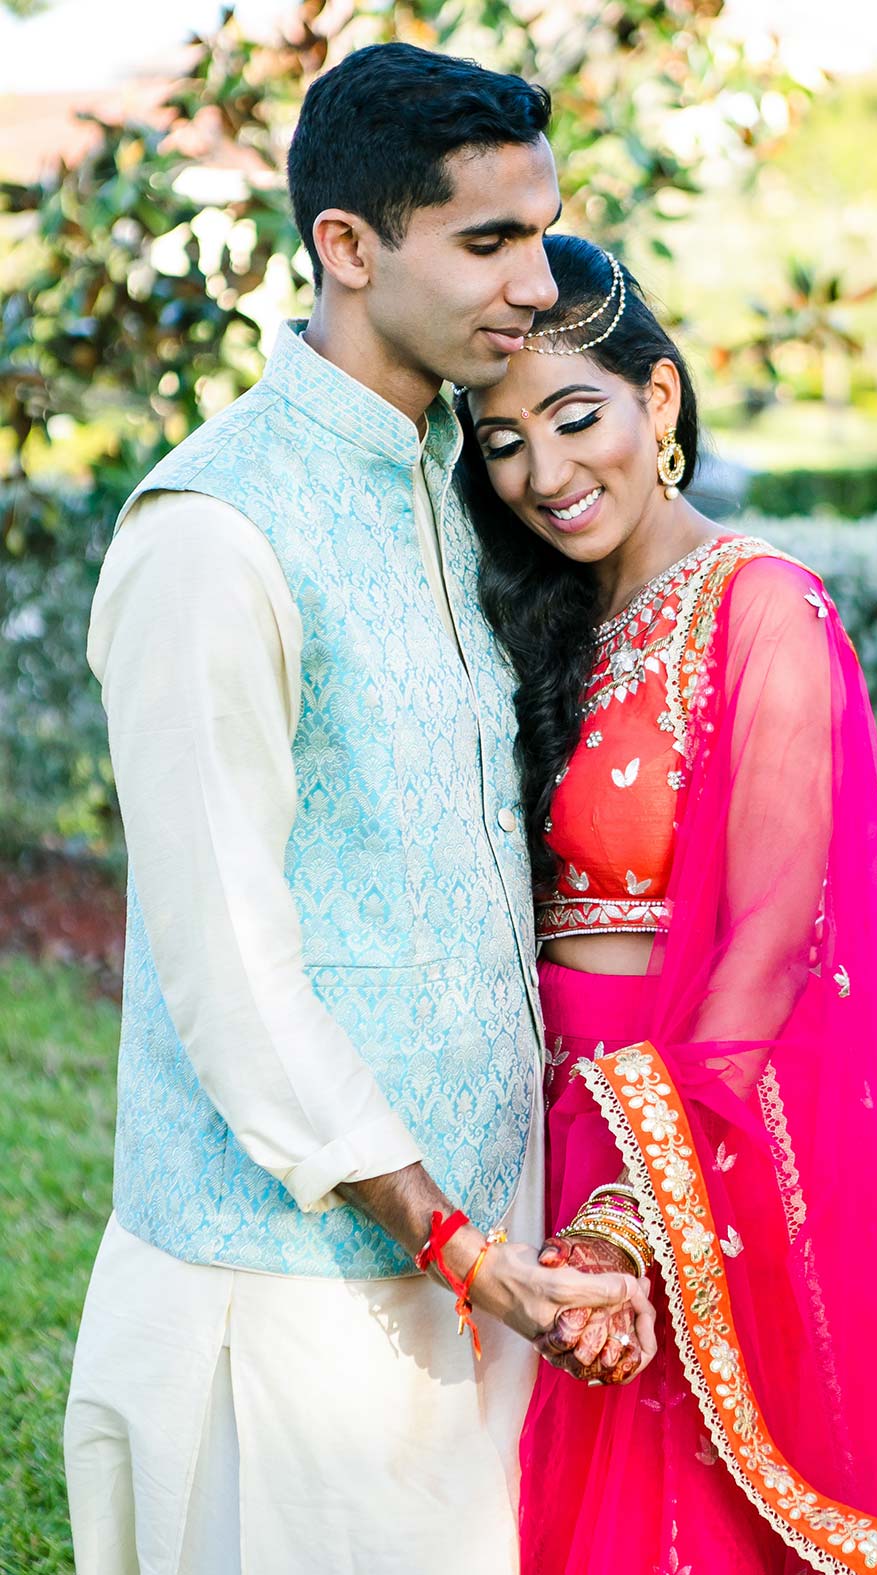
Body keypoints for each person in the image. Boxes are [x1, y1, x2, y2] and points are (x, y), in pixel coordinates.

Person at [64, 49, 656, 1575]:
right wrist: (448, 1239)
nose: (535, 283)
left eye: (539, 231)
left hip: (475, 1273)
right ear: (346, 246)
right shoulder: (216, 533)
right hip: (291, 1304)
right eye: (485, 242)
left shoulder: (461, 491)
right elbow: (223, 959)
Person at [458, 233, 877, 1575]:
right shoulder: (542, 620)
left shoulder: (761, 608)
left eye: (573, 416)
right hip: (521, 1123)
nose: (546, 474)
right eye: (501, 443)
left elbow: (771, 942)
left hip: (677, 1136)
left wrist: (629, 1205)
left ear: (656, 401)